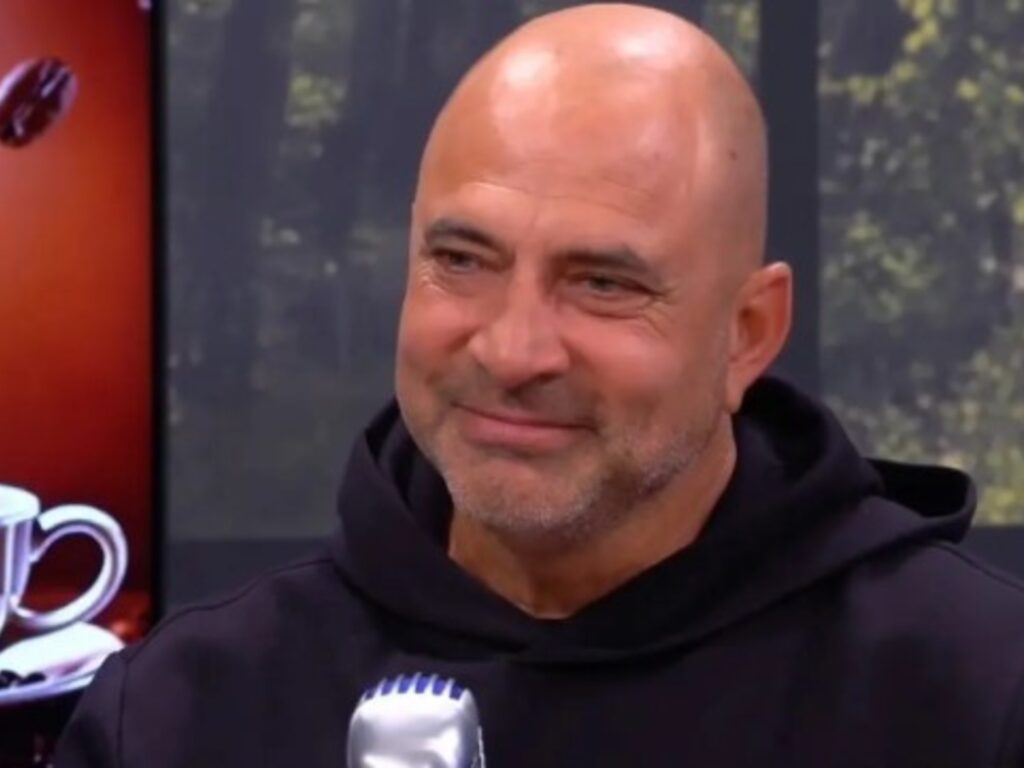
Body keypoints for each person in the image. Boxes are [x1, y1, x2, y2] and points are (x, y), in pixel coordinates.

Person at [56, 4, 1024, 766]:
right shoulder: (182, 715)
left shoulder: (973, 698)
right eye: (462, 261)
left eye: (602, 283)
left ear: (747, 335)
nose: (513, 351)